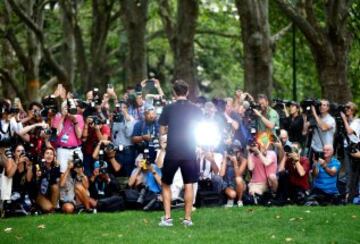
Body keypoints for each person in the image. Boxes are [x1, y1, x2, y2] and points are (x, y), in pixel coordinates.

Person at [158, 80, 202, 227]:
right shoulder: (195, 109)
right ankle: (187, 219)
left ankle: (168, 218)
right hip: (189, 150)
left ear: (174, 93)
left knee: (165, 183)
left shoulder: (168, 108)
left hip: (172, 150)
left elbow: (162, 130)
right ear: (187, 92)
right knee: (188, 184)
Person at [51, 100, 84, 174]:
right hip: (62, 150)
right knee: (63, 173)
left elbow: (79, 135)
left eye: (69, 107)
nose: (68, 109)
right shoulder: (57, 117)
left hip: (76, 149)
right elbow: (56, 134)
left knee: (79, 172)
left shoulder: (78, 117)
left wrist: (74, 120)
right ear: (62, 109)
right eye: (66, 107)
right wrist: (62, 117)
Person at [304, 99, 336, 165]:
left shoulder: (331, 119)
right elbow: (304, 131)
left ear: (328, 108)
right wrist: (306, 118)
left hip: (325, 149)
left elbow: (323, 128)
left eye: (324, 105)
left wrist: (315, 114)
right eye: (320, 105)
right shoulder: (315, 117)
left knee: (323, 170)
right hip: (314, 147)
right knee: (312, 169)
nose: (321, 106)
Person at [340, 102, 360, 202]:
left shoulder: (356, 121)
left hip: (354, 150)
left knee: (352, 172)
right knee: (348, 172)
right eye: (346, 108)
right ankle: (349, 194)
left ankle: (350, 195)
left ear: (353, 110)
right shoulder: (348, 121)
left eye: (348, 108)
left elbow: (349, 131)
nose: (346, 109)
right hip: (347, 148)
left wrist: (344, 119)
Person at [111, 101, 136, 176]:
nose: (121, 109)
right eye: (119, 108)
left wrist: (126, 118)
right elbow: (113, 134)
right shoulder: (115, 118)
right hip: (116, 150)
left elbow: (129, 134)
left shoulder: (130, 119)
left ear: (127, 109)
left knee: (128, 174)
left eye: (124, 107)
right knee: (117, 175)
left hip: (127, 151)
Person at [33, 148, 60, 213]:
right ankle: (42, 207)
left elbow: (54, 182)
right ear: (43, 156)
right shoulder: (38, 165)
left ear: (53, 157)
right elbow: (36, 179)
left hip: (48, 192)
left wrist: (56, 167)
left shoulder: (55, 167)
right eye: (47, 153)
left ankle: (53, 209)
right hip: (39, 194)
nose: (49, 155)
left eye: (51, 154)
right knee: (49, 208)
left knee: (55, 187)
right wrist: (38, 175)